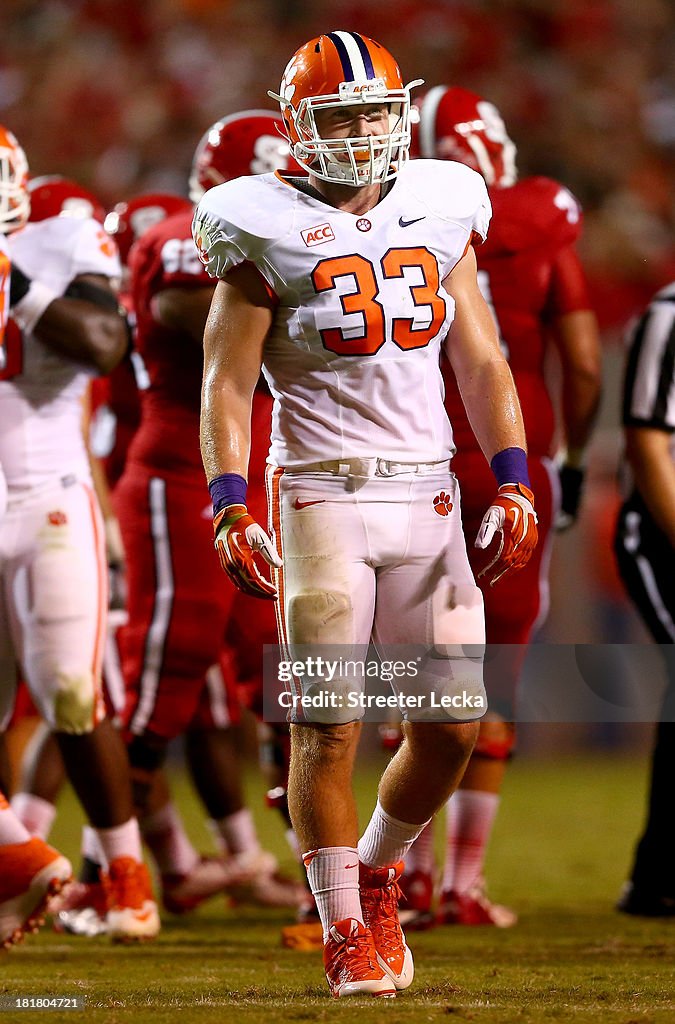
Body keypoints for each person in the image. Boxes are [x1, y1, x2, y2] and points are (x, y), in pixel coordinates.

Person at [193, 31, 538, 998]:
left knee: (450, 725)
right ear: (297, 125)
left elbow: (479, 357)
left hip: (426, 487)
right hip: (316, 491)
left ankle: (378, 871)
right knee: (328, 725)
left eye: (373, 114)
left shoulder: (440, 202)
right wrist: (227, 504)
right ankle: (343, 925)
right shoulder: (254, 221)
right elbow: (224, 385)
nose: (358, 132)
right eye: (337, 115)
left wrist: (509, 477)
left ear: (401, 116)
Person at [401, 86, 602, 927]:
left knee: (405, 671)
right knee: (498, 674)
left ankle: (400, 878)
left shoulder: (390, 218)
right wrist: (571, 456)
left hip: (419, 456)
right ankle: (463, 883)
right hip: (516, 456)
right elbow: (582, 362)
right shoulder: (541, 221)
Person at [113, 112, 305, 913]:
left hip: (264, 480)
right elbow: (221, 342)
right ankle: (107, 867)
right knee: (167, 674)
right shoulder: (178, 236)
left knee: (292, 685)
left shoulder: (295, 238)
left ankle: (319, 878)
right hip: (181, 480)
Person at [0, 124, 159, 942]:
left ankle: (124, 877)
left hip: (48, 490)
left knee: (71, 691)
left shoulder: (60, 223)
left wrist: (13, 282)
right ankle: (18, 863)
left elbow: (105, 345)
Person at [614, 281, 675, 917]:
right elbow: (646, 439)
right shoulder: (669, 314)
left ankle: (658, 873)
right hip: (659, 533)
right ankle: (657, 874)